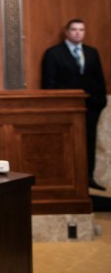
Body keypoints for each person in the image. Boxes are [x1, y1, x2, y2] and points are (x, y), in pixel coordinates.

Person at [41, 19, 107, 191]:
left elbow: (99, 80)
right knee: (67, 145)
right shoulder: (54, 53)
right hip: (65, 109)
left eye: (82, 29)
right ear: (67, 32)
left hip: (90, 107)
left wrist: (100, 102)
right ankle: (69, 180)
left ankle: (88, 178)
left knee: (89, 142)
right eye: (74, 29)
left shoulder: (92, 53)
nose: (78, 33)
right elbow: (49, 83)